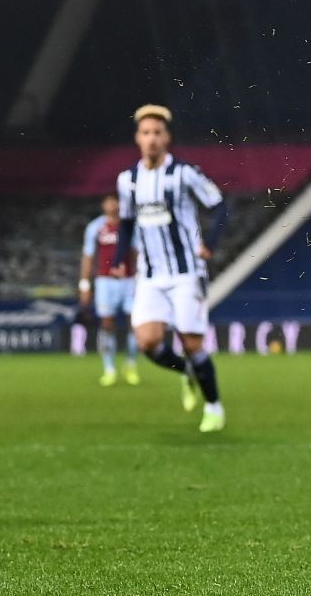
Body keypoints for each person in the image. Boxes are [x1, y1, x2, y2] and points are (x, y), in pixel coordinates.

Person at [116, 105, 228, 434]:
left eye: (157, 133)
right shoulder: (128, 181)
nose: (151, 139)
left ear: (167, 138)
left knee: (192, 343)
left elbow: (219, 203)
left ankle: (214, 406)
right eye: (146, 133)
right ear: (138, 138)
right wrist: (121, 257)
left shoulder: (183, 173)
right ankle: (187, 373)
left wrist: (211, 242)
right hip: (150, 276)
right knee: (148, 342)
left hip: (185, 272)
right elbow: (125, 222)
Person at [79, 194, 140, 387]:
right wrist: (85, 284)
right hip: (105, 281)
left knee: (135, 322)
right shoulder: (95, 227)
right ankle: (109, 368)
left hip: (129, 280)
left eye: (115, 201)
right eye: (108, 201)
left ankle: (131, 364)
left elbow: (137, 252)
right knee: (106, 323)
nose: (112, 204)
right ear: (103, 204)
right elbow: (88, 256)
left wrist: (141, 278)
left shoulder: (130, 226)